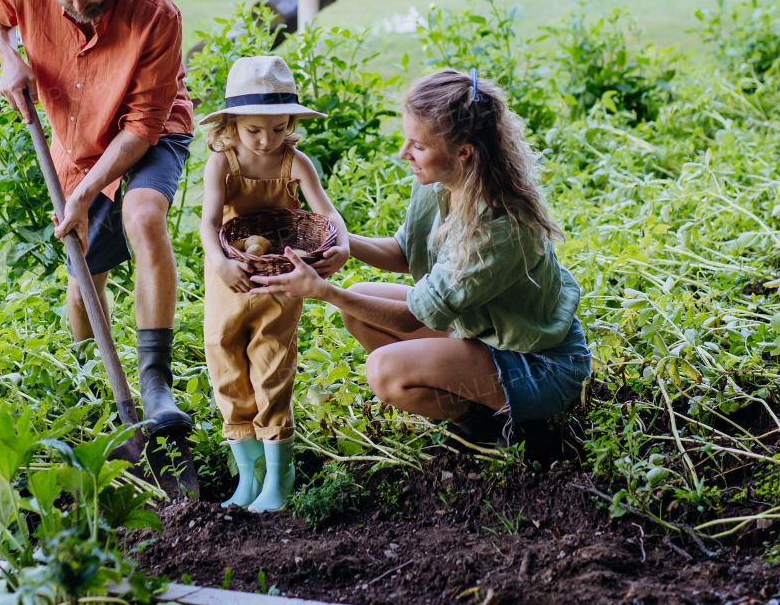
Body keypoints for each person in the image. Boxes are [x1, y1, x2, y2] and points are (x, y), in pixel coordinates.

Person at [249, 68, 591, 454]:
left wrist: (324, 291)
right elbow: (406, 251)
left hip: (540, 365)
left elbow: (416, 316)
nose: (403, 153)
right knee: (360, 303)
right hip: (487, 334)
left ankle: (502, 428)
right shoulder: (444, 182)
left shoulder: (498, 227)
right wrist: (335, 240)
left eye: (418, 145)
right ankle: (478, 413)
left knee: (384, 372)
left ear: (464, 150)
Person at [0, 0, 194, 438]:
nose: (77, 7)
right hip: (77, 145)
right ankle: (90, 388)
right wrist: (8, 57)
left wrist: (89, 191)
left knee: (142, 216)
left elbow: (142, 127)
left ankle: (156, 384)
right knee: (82, 280)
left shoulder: (152, 9)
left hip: (150, 131)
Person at [199, 56, 350, 511]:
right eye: (254, 131)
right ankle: (249, 477)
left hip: (280, 280)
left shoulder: (294, 161)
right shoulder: (221, 164)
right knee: (224, 359)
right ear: (231, 126)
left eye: (279, 128)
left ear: (291, 124)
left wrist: (340, 244)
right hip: (230, 276)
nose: (267, 141)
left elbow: (325, 212)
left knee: (272, 365)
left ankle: (278, 484)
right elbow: (208, 224)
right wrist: (223, 263)